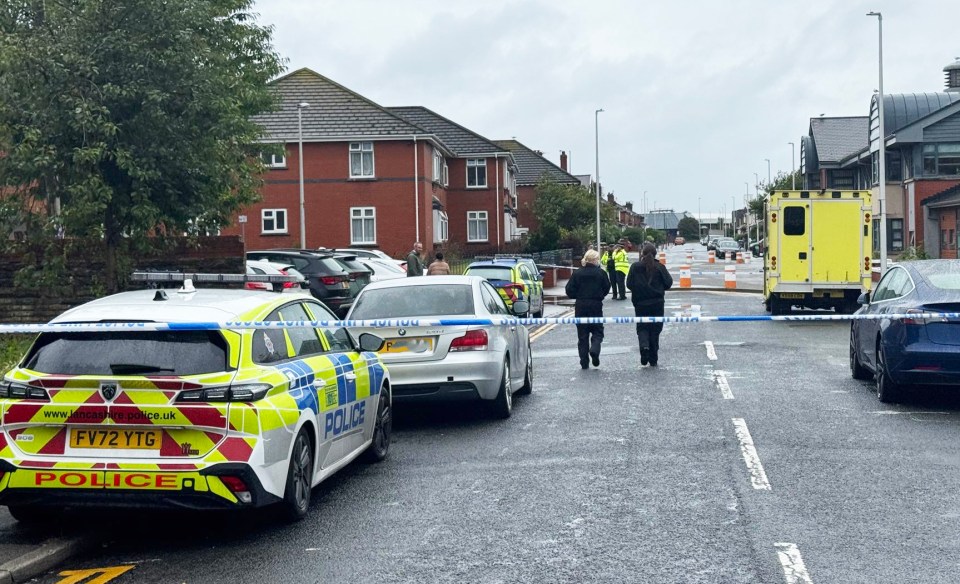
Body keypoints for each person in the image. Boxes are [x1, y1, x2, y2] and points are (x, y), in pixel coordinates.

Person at [626, 242, 673, 367]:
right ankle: (653, 358)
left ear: (643, 253)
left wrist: (638, 289)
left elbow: (629, 284)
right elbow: (668, 283)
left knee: (642, 328)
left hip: (640, 303)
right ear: (655, 253)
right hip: (657, 303)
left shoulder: (635, 267)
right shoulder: (660, 267)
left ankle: (644, 347)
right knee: (655, 329)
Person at [565, 249, 611, 370]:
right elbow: (607, 287)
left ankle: (584, 362)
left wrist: (578, 295)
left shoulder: (577, 273)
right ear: (595, 260)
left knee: (582, 335)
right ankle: (594, 350)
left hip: (581, 305)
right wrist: (599, 294)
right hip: (596, 304)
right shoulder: (601, 273)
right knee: (597, 331)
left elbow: (569, 290)